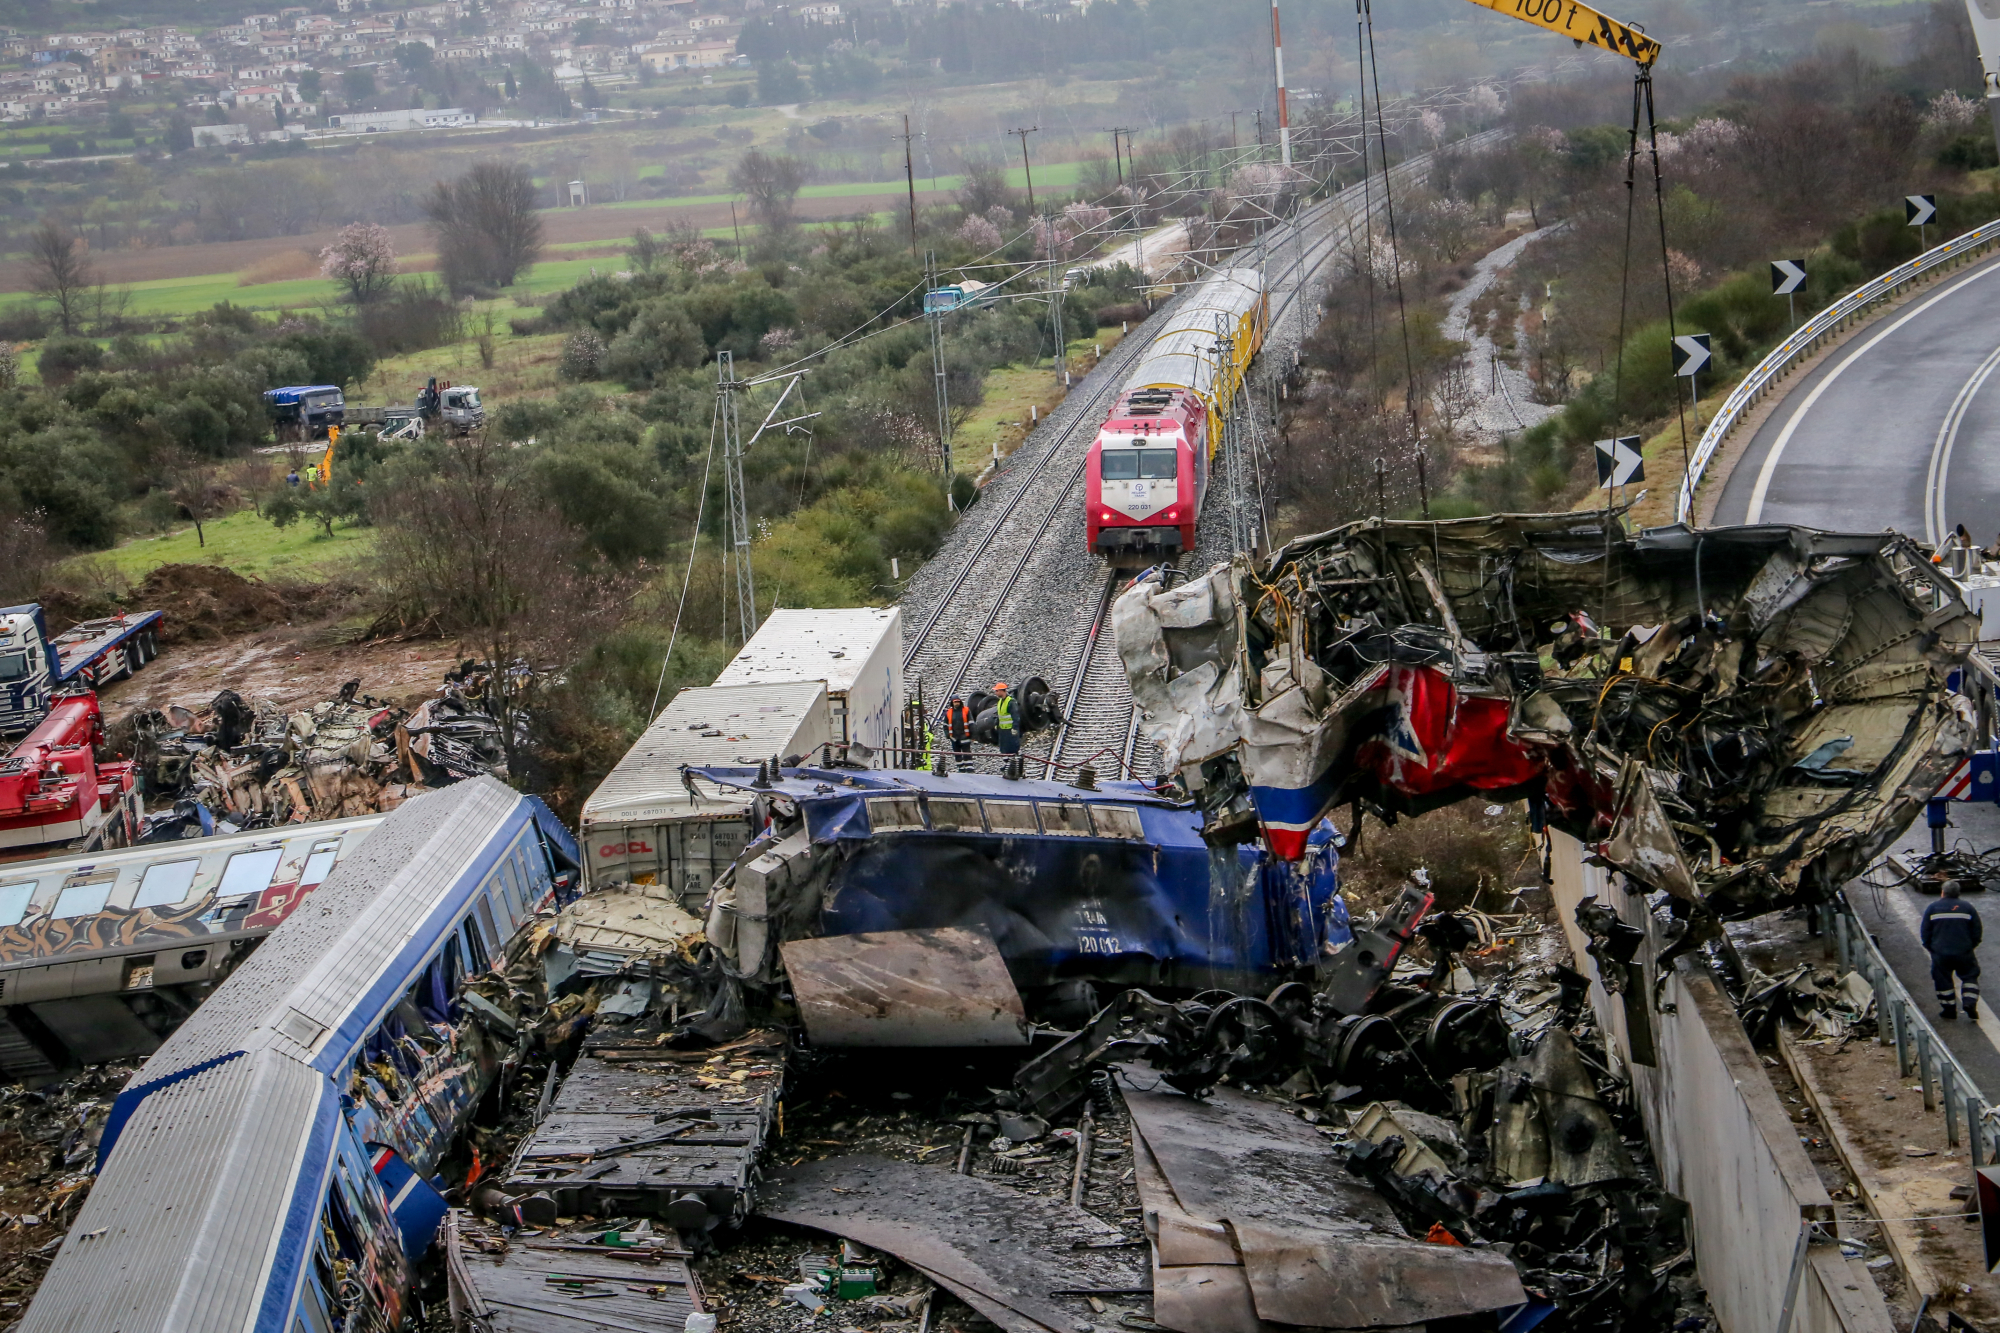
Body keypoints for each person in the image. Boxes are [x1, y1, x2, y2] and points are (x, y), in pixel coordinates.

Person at [1922, 880, 1983, 1020]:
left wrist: (1932, 949)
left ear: (1942, 892)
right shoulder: (1968, 908)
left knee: (1943, 981)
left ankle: (1949, 1010)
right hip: (1964, 952)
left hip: (1941, 953)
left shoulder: (1933, 908)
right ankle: (1969, 1003)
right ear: (1959, 893)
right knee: (1970, 976)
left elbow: (1925, 932)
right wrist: (1970, 946)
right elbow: (1977, 931)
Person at [993, 681, 1019, 756]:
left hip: (1010, 730)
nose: (996, 693)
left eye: (997, 691)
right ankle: (1007, 764)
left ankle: (1013, 765)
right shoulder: (1000, 701)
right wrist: (996, 723)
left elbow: (1015, 716)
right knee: (1004, 748)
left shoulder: (1011, 702)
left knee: (1012, 748)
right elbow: (999, 714)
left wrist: (1014, 728)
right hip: (1003, 730)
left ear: (1002, 691)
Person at [944, 696, 972, 760]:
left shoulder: (966, 710)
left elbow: (971, 723)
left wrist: (973, 735)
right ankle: (961, 768)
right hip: (954, 738)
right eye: (955, 702)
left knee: (967, 753)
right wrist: (947, 734)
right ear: (952, 703)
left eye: (958, 702)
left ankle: (969, 768)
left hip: (965, 737)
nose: (957, 703)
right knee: (957, 754)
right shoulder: (949, 713)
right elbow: (945, 725)